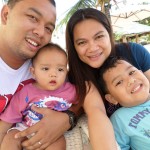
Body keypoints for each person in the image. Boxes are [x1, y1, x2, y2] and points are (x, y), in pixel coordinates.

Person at [65, 7, 150, 149]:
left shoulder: (133, 52)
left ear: (109, 33)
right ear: (74, 47)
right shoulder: (78, 76)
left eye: (99, 36)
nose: (92, 48)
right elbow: (96, 112)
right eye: (82, 42)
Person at [0, 0, 80, 149]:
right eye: (33, 17)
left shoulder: (45, 65)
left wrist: (67, 118)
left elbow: (82, 98)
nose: (41, 32)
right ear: (6, 15)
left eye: (49, 28)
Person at [0, 43, 78, 150]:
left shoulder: (70, 90)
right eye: (46, 69)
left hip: (52, 132)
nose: (53, 74)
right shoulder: (26, 91)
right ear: (33, 72)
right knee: (10, 138)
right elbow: (9, 118)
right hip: (25, 128)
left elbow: (83, 102)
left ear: (66, 71)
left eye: (60, 69)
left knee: (59, 144)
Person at [98, 56, 150, 150]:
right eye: (119, 82)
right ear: (112, 98)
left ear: (142, 73)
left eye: (131, 72)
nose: (131, 80)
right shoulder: (119, 118)